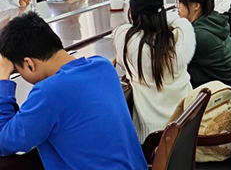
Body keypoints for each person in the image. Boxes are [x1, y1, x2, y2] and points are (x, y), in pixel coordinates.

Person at [0, 12, 147, 169]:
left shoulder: (48, 93)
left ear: (29, 64)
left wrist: (3, 77)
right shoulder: (103, 66)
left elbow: (4, 141)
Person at [113, 0, 195, 142]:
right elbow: (177, 22)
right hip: (186, 126)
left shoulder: (128, 41)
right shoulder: (180, 36)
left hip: (151, 138)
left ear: (132, 13)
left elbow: (121, 58)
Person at [174, 0, 231, 94]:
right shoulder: (212, 20)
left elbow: (173, 63)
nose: (177, 6)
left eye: (180, 2)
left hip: (229, 97)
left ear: (196, 6)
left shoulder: (199, 35)